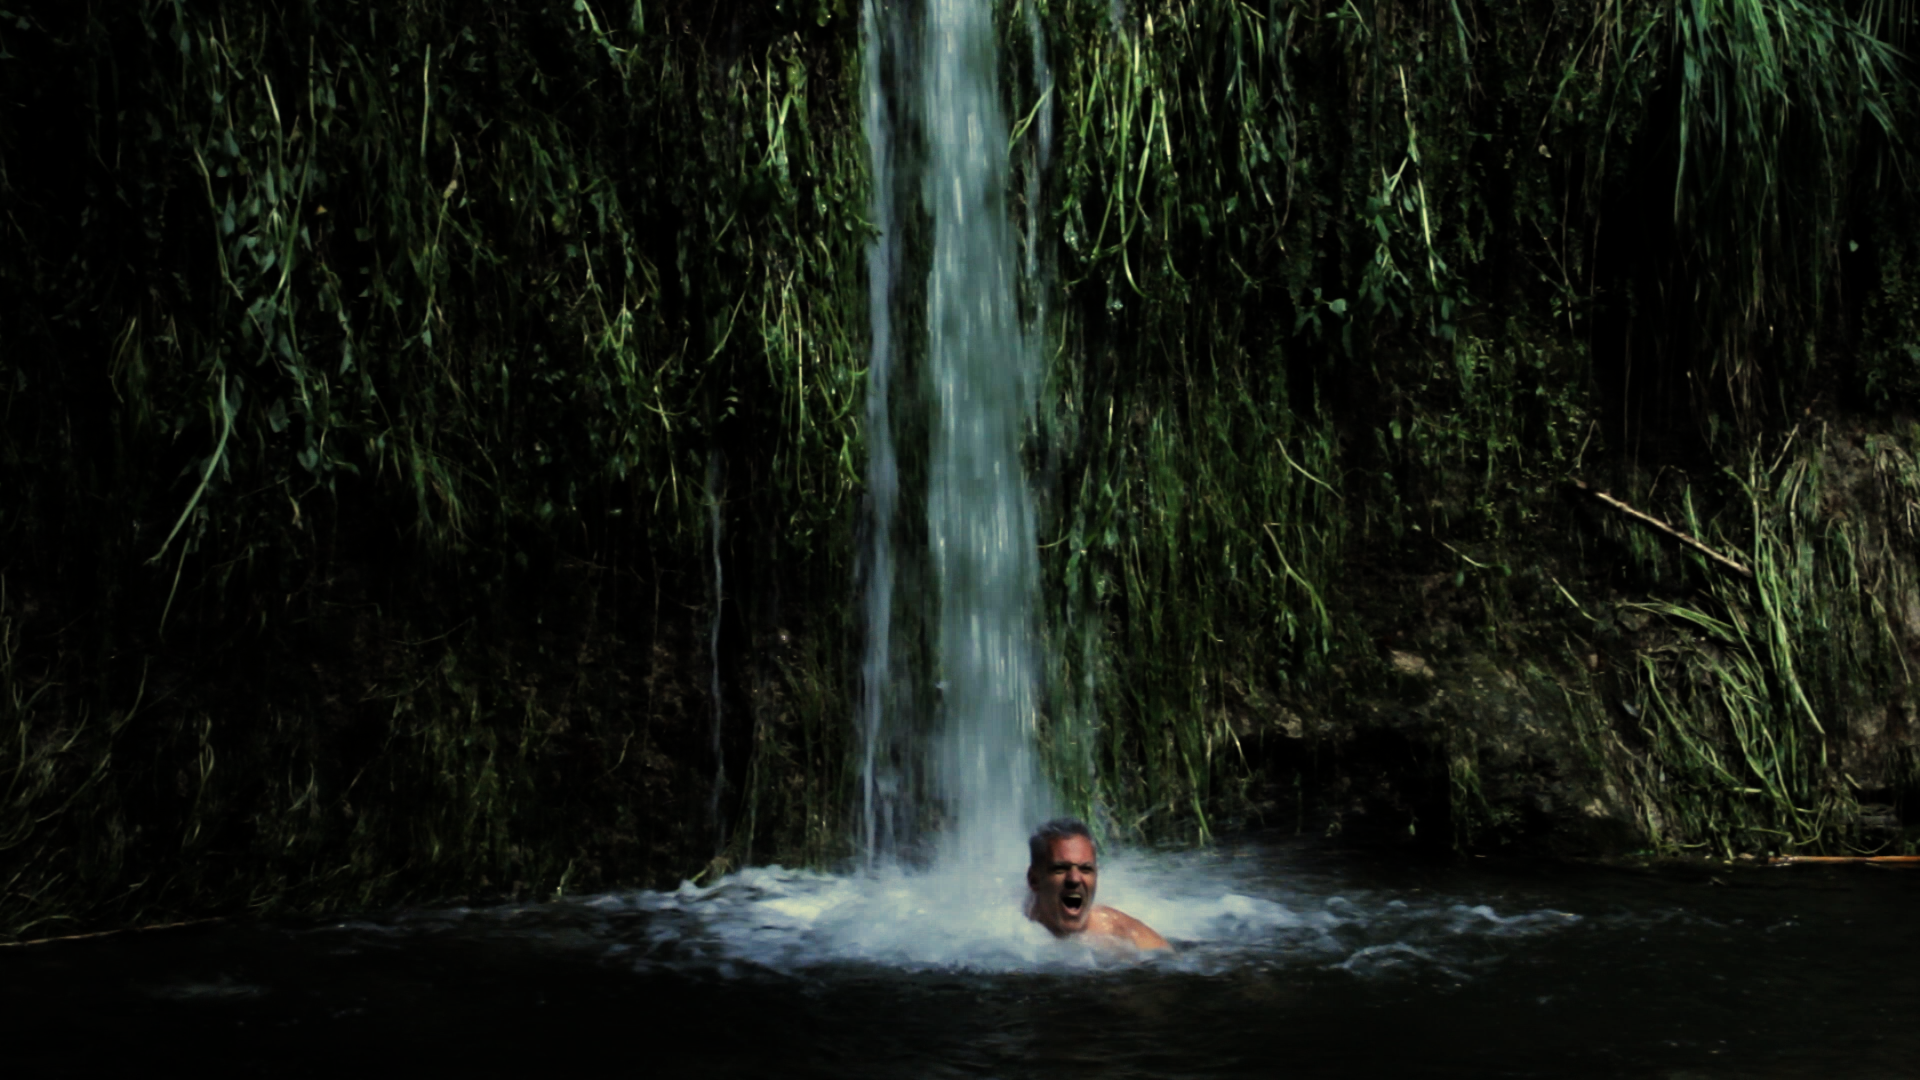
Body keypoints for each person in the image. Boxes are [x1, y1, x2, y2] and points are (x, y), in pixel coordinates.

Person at [1025, 818, 1170, 950]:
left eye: (1085, 869)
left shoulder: (1120, 934)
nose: (1074, 879)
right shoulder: (1013, 930)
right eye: (1061, 869)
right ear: (1034, 880)